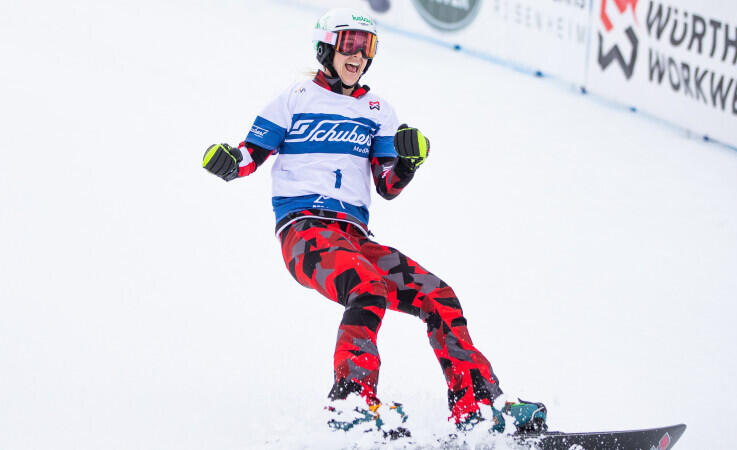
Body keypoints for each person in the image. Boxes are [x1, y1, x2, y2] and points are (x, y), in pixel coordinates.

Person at [202, 7, 546, 435]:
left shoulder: (379, 110)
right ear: (326, 47)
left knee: (439, 295)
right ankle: (350, 402)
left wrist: (408, 162)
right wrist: (230, 162)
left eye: (367, 47)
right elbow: (250, 154)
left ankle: (476, 407)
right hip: (305, 232)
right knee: (367, 287)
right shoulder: (295, 98)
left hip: (354, 238)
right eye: (350, 43)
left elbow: (387, 183)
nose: (358, 55)